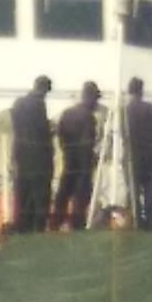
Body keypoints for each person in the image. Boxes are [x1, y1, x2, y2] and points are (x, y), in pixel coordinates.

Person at [53, 82, 102, 230]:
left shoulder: (67, 113)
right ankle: (77, 226)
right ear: (90, 97)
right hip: (83, 165)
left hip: (69, 160)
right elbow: (88, 141)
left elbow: (60, 135)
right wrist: (91, 157)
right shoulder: (88, 117)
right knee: (80, 199)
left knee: (63, 193)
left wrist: (67, 151)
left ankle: (56, 223)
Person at [9, 75, 54, 233]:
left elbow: (15, 128)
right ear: (44, 89)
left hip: (21, 156)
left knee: (23, 195)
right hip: (38, 158)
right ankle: (38, 229)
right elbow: (41, 130)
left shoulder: (18, 102)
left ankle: (21, 227)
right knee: (40, 196)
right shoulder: (38, 103)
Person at [125, 77, 152, 231]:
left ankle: (135, 221)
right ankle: (151, 222)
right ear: (141, 90)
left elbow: (123, 134)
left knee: (133, 190)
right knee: (149, 191)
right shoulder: (150, 109)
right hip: (149, 156)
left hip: (132, 157)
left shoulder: (125, 110)